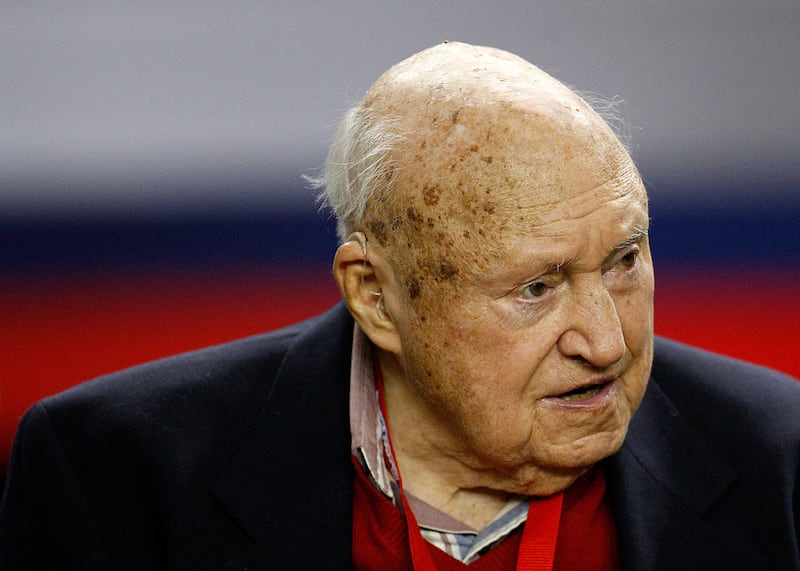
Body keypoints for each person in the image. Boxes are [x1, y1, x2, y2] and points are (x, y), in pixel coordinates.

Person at [1, 42, 798, 570]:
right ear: (376, 298)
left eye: (625, 260)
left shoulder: (783, 460)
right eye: (536, 287)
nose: (605, 339)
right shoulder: (114, 473)